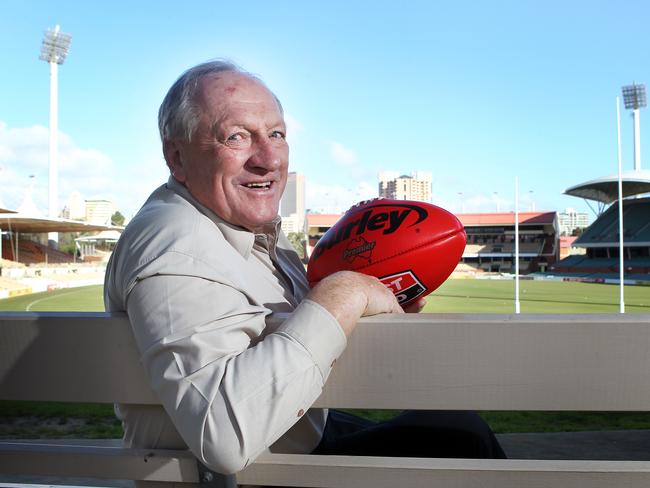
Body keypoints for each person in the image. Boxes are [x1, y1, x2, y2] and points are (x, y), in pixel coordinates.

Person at [104, 60, 504, 481]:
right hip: (240, 474)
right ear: (177, 157)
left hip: (286, 440)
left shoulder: (232, 225)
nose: (268, 158)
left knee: (447, 429)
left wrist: (370, 299)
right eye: (236, 136)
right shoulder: (175, 243)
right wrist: (344, 292)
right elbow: (222, 435)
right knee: (462, 436)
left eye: (276, 134)